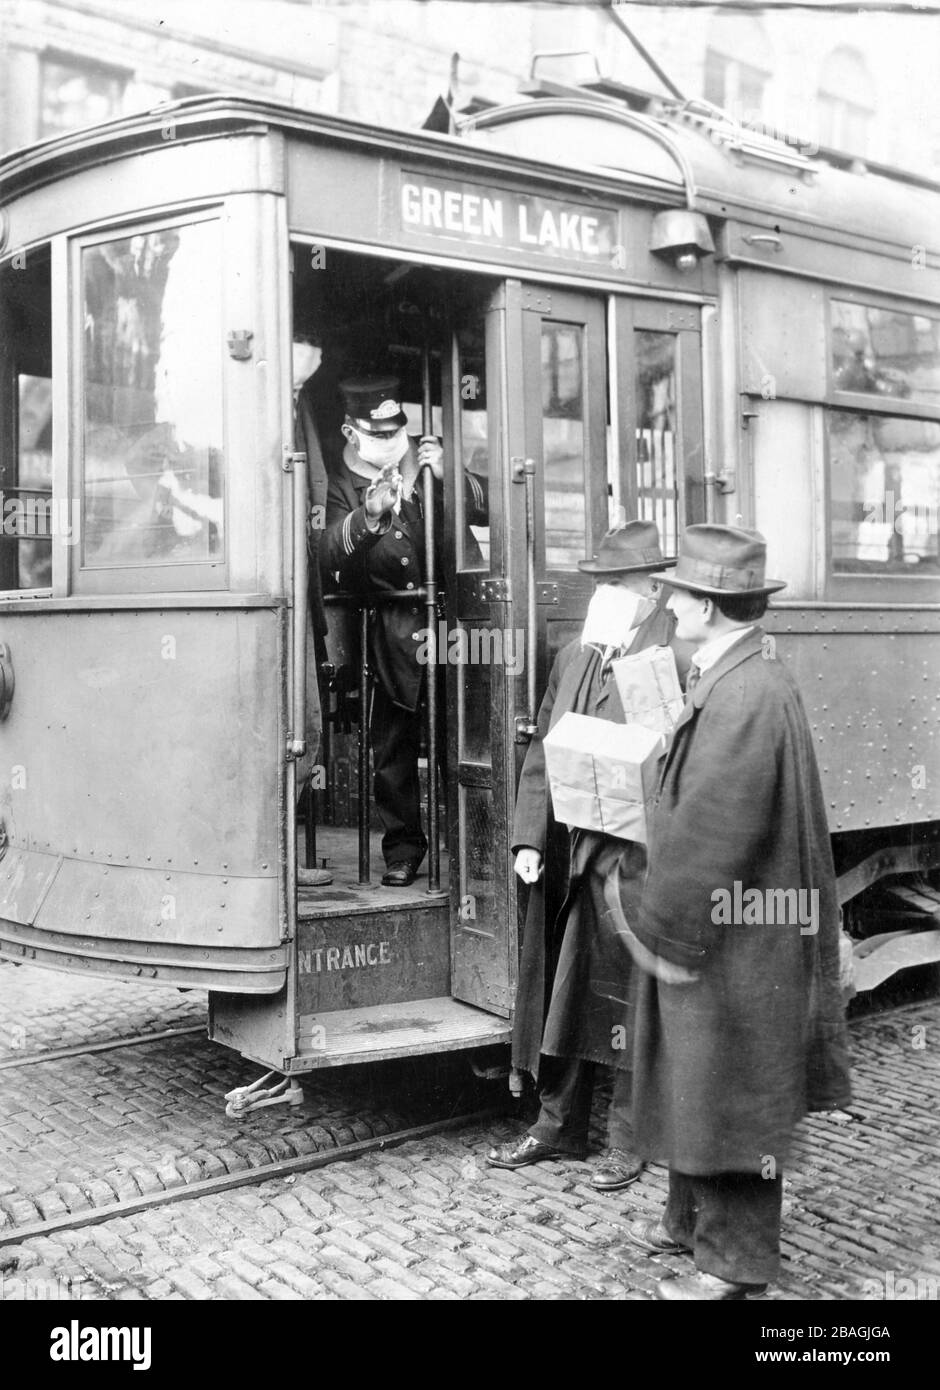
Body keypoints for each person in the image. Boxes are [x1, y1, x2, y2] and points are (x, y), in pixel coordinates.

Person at [620, 524, 851, 1299]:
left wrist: (662, 923)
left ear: (712, 607)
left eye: (678, 591)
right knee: (707, 1083)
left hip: (728, 938)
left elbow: (717, 826)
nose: (668, 600)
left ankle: (731, 1268)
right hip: (737, 929)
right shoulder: (745, 671)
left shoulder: (743, 689)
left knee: (734, 1096)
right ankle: (692, 1225)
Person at [487, 522, 686, 1190]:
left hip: (635, 856)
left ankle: (631, 1138)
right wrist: (526, 837)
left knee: (631, 994)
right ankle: (556, 1125)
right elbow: (544, 749)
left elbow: (679, 763)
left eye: (615, 583)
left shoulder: (674, 655)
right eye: (599, 581)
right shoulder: (576, 653)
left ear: (652, 588)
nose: (600, 592)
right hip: (571, 853)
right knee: (566, 990)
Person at [320, 376, 487, 886]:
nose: (391, 440)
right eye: (378, 433)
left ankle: (473, 843)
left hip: (455, 626)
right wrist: (368, 514)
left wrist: (450, 475)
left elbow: (487, 508)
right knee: (392, 749)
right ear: (351, 432)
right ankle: (403, 849)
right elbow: (328, 556)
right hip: (391, 630)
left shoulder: (428, 461)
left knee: (464, 740)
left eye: (397, 431)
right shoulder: (342, 484)